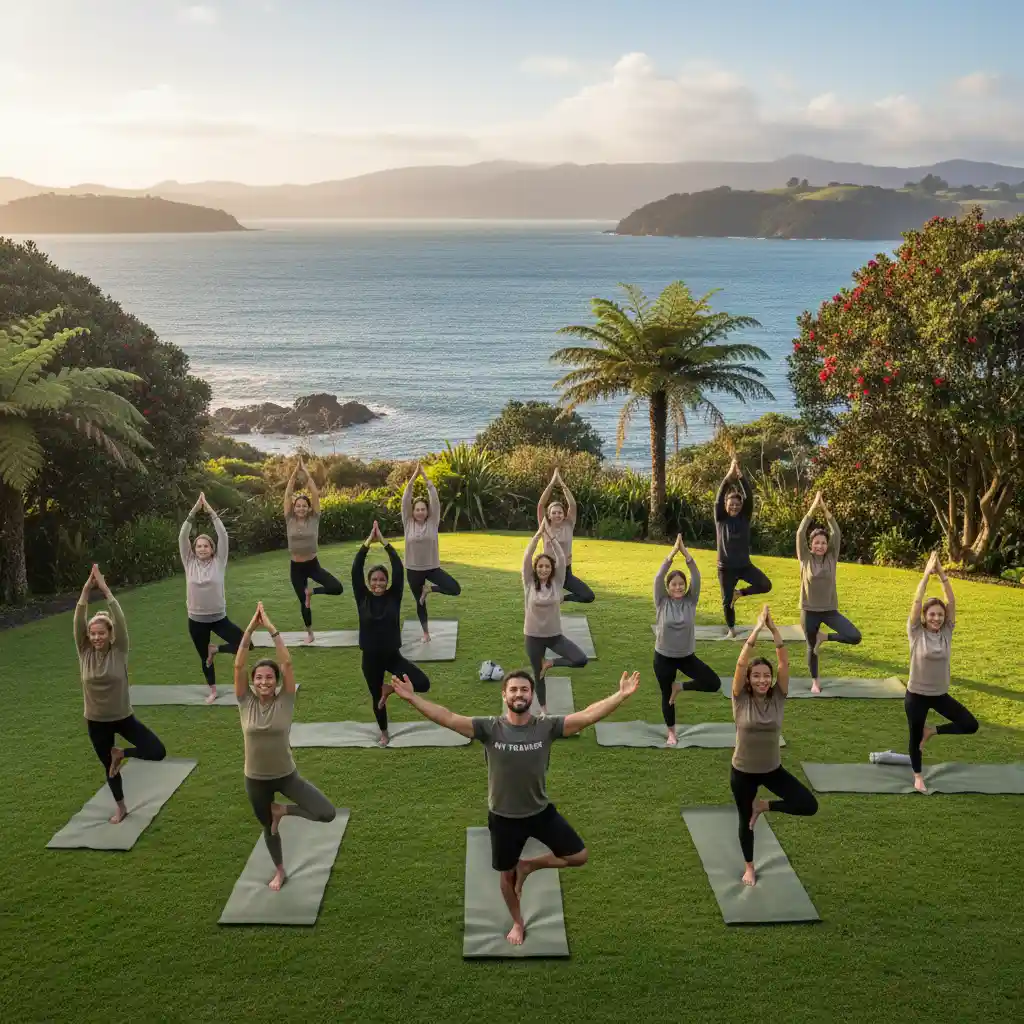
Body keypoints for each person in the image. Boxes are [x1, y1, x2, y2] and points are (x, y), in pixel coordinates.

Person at [389, 666, 640, 945]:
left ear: (531, 695)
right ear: (504, 695)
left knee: (579, 856)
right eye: (513, 690)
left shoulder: (546, 727)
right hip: (503, 818)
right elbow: (447, 717)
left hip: (540, 813)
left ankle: (529, 865)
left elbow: (586, 716)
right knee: (506, 876)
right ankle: (518, 922)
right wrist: (413, 698)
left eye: (524, 689)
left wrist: (620, 695)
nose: (519, 694)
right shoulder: (489, 728)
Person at [234, 602, 336, 891]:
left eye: (269, 677)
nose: (264, 681)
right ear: (252, 682)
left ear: (277, 682)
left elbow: (287, 664)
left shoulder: (286, 700)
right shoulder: (244, 701)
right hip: (255, 779)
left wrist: (271, 629)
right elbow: (239, 665)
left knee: (326, 813)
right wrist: (250, 629)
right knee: (268, 828)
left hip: (286, 775)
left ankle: (283, 811)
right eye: (259, 678)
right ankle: (280, 870)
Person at [730, 605, 818, 886]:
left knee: (808, 804)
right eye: (756, 676)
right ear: (748, 680)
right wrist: (756, 630)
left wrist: (774, 630)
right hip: (743, 771)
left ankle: (763, 806)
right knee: (745, 821)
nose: (762, 680)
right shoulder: (740, 698)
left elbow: (783, 665)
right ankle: (749, 867)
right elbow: (740, 665)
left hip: (772, 770)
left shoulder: (778, 696)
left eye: (766, 676)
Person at [73, 564, 167, 824]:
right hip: (96, 721)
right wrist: (85, 590)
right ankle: (121, 807)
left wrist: (105, 590)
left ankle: (121, 754)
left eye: (101, 633)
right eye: (92, 634)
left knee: (157, 751)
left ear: (110, 634)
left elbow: (120, 619)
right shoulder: (84, 651)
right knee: (109, 768)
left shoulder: (119, 650)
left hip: (123, 717)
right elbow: (78, 619)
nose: (96, 638)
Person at [352, 520, 431, 746]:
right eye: (374, 579)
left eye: (382, 579)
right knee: (377, 698)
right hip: (370, 659)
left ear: (387, 582)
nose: (378, 583)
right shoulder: (362, 597)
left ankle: (390, 688)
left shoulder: (393, 596)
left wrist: (385, 543)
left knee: (423, 683)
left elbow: (397, 567)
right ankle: (384, 732)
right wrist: (368, 543)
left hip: (392, 657)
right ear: (368, 582)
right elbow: (356, 569)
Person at [905, 552, 978, 793]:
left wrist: (943, 574)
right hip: (916, 695)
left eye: (940, 614)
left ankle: (932, 731)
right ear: (925, 617)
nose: (936, 618)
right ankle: (918, 776)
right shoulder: (916, 632)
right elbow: (917, 601)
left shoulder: (946, 632)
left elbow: (952, 602)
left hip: (939, 695)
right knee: (914, 736)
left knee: (970, 724)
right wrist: (927, 574)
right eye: (932, 614)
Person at [653, 534, 721, 745]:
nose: (678, 587)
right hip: (663, 657)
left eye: (681, 584)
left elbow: (696, 577)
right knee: (666, 695)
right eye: (674, 584)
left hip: (686, 657)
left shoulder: (691, 601)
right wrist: (672, 553)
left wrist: (686, 554)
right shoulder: (661, 601)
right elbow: (658, 577)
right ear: (668, 587)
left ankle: (679, 687)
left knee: (713, 683)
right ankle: (671, 733)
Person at [179, 491, 244, 704]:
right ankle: (213, 690)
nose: (202, 549)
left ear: (212, 548)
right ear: (194, 549)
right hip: (196, 620)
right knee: (204, 658)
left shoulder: (219, 561)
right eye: (198, 546)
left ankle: (216, 649)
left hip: (218, 618)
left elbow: (223, 535)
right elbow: (182, 537)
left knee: (245, 643)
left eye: (206, 546)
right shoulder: (189, 562)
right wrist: (194, 512)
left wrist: (209, 511)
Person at [796, 490, 862, 694]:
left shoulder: (832, 556)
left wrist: (824, 509)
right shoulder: (805, 557)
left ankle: (824, 637)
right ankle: (815, 682)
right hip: (809, 611)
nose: (820, 546)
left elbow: (836, 533)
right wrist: (812, 508)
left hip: (829, 611)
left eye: (823, 543)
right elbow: (800, 533)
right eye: (816, 542)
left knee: (854, 636)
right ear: (811, 545)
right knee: (811, 647)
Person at [522, 520, 588, 713]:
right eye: (540, 566)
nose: (543, 569)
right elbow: (527, 557)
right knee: (538, 675)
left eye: (547, 567)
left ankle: (549, 663)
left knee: (580, 659)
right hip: (533, 636)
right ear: (535, 568)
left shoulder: (558, 582)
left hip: (554, 636)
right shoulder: (529, 583)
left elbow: (560, 556)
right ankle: (543, 710)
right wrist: (538, 535)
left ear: (552, 569)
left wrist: (551, 537)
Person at [283, 456, 343, 644]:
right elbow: (287, 495)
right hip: (296, 567)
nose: (301, 508)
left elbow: (315, 494)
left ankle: (312, 592)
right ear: (294, 508)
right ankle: (309, 633)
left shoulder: (314, 519)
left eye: (304, 506)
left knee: (337, 588)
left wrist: (306, 473)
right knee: (303, 602)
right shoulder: (289, 519)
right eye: (298, 506)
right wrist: (295, 473)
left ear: (309, 508)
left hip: (312, 565)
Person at [402, 463, 461, 643]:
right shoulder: (408, 522)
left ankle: (429, 589)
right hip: (413, 570)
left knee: (455, 588)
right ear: (412, 511)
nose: (420, 512)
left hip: (431, 568)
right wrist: (414, 477)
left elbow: (434, 498)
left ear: (428, 511)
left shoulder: (433, 522)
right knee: (420, 602)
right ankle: (426, 633)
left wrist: (426, 478)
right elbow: (406, 497)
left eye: (423, 509)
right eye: (417, 509)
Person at [715, 457, 772, 637]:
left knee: (765, 585)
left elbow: (749, 496)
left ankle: (739, 593)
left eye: (737, 504)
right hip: (725, 568)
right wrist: (728, 476)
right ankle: (731, 630)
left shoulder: (744, 517)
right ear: (726, 505)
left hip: (744, 566)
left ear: (741, 507)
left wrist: (740, 476)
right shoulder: (721, 519)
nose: (734, 506)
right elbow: (719, 497)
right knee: (726, 602)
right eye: (731, 504)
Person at [538, 467, 594, 604]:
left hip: (565, 572)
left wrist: (561, 483)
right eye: (554, 513)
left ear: (564, 515)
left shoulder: (568, 525)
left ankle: (562, 598)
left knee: (588, 596)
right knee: (543, 602)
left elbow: (572, 504)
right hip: (548, 572)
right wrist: (552, 482)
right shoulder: (545, 526)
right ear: (549, 515)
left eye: (560, 512)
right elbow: (541, 505)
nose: (557, 515)